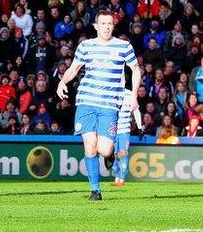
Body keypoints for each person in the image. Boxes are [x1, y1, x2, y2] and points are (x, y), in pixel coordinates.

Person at [57, 10, 140, 201]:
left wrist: (134, 96)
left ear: (114, 26)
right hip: (86, 102)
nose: (106, 27)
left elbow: (136, 70)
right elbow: (74, 68)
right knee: (90, 147)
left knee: (104, 150)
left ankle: (109, 157)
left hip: (109, 105)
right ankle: (96, 190)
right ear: (96, 26)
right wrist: (62, 82)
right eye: (102, 23)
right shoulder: (85, 46)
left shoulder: (124, 47)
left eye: (110, 23)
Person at [111, 88, 142, 186]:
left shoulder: (130, 94)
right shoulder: (112, 91)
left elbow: (136, 110)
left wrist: (139, 127)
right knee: (114, 155)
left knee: (124, 153)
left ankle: (122, 179)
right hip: (113, 130)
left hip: (124, 131)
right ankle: (116, 177)